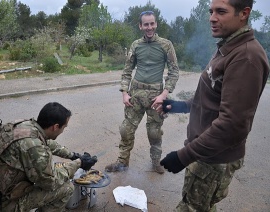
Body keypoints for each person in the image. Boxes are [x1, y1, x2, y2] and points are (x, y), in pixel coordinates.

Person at [158, 0, 270, 211]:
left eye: (221, 11)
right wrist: (180, 106)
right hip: (206, 153)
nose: (212, 18)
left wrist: (184, 156)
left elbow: (232, 125)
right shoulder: (228, 47)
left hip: (213, 158)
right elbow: (210, 98)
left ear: (243, 13)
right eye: (211, 11)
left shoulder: (245, 57)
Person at [0, 102, 98, 212]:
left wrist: (73, 155)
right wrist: (77, 163)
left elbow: (47, 143)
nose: (63, 130)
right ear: (55, 127)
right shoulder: (34, 147)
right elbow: (51, 182)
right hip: (2, 204)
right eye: (64, 127)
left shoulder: (26, 126)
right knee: (66, 188)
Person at [105, 11, 179, 174]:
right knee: (126, 130)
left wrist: (164, 95)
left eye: (152, 23)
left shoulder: (166, 45)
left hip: (156, 96)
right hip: (136, 94)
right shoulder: (135, 45)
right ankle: (122, 162)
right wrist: (125, 92)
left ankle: (155, 162)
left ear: (156, 24)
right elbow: (126, 70)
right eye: (146, 24)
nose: (149, 27)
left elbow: (174, 72)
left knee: (154, 132)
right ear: (140, 26)